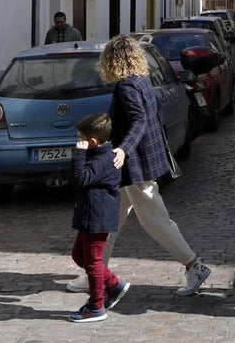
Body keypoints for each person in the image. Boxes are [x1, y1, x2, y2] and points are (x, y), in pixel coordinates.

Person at [66, 34, 212, 297]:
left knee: (155, 220)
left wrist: (123, 149)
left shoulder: (127, 86)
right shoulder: (142, 80)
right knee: (109, 222)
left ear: (112, 60)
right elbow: (146, 118)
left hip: (134, 165)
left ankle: (194, 265)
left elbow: (139, 121)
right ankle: (94, 273)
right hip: (133, 164)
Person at [67, 113, 129, 323]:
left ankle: (96, 306)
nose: (78, 141)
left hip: (98, 217)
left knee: (93, 263)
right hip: (89, 215)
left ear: (92, 141)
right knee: (79, 256)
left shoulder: (102, 160)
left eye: (81, 138)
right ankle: (114, 284)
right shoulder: (97, 155)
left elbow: (82, 178)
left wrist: (79, 154)